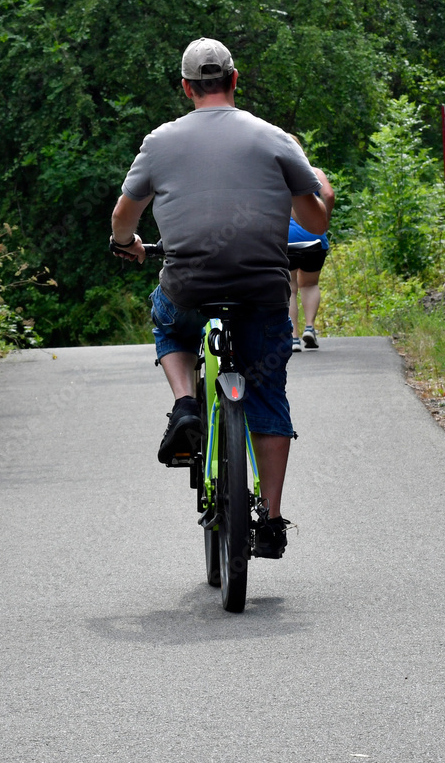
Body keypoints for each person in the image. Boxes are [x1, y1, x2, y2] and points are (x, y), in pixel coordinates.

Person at [109, 37, 326, 558]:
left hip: (190, 286)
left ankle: (186, 402)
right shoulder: (276, 139)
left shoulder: (160, 142)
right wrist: (306, 190)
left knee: (169, 323)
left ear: (186, 88)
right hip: (262, 292)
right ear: (234, 80)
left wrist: (126, 244)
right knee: (267, 395)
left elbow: (123, 217)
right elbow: (315, 221)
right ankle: (270, 521)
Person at [287, 173, 335, 351]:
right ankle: (309, 328)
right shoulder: (313, 171)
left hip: (287, 237)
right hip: (314, 235)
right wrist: (324, 221)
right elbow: (329, 194)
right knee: (310, 284)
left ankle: (294, 338)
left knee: (290, 288)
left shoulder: (277, 171)